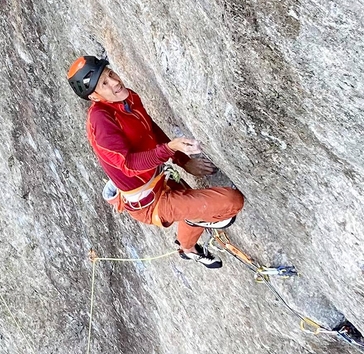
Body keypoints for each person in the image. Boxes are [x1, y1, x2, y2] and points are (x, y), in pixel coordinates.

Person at [67, 56, 244, 268]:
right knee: (232, 202)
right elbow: (129, 164)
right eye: (104, 84)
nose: (115, 82)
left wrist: (182, 160)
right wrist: (170, 149)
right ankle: (190, 239)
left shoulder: (127, 98)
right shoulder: (101, 122)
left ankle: (187, 248)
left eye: (110, 74)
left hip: (160, 179)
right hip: (150, 203)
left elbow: (149, 129)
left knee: (194, 209)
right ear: (94, 97)